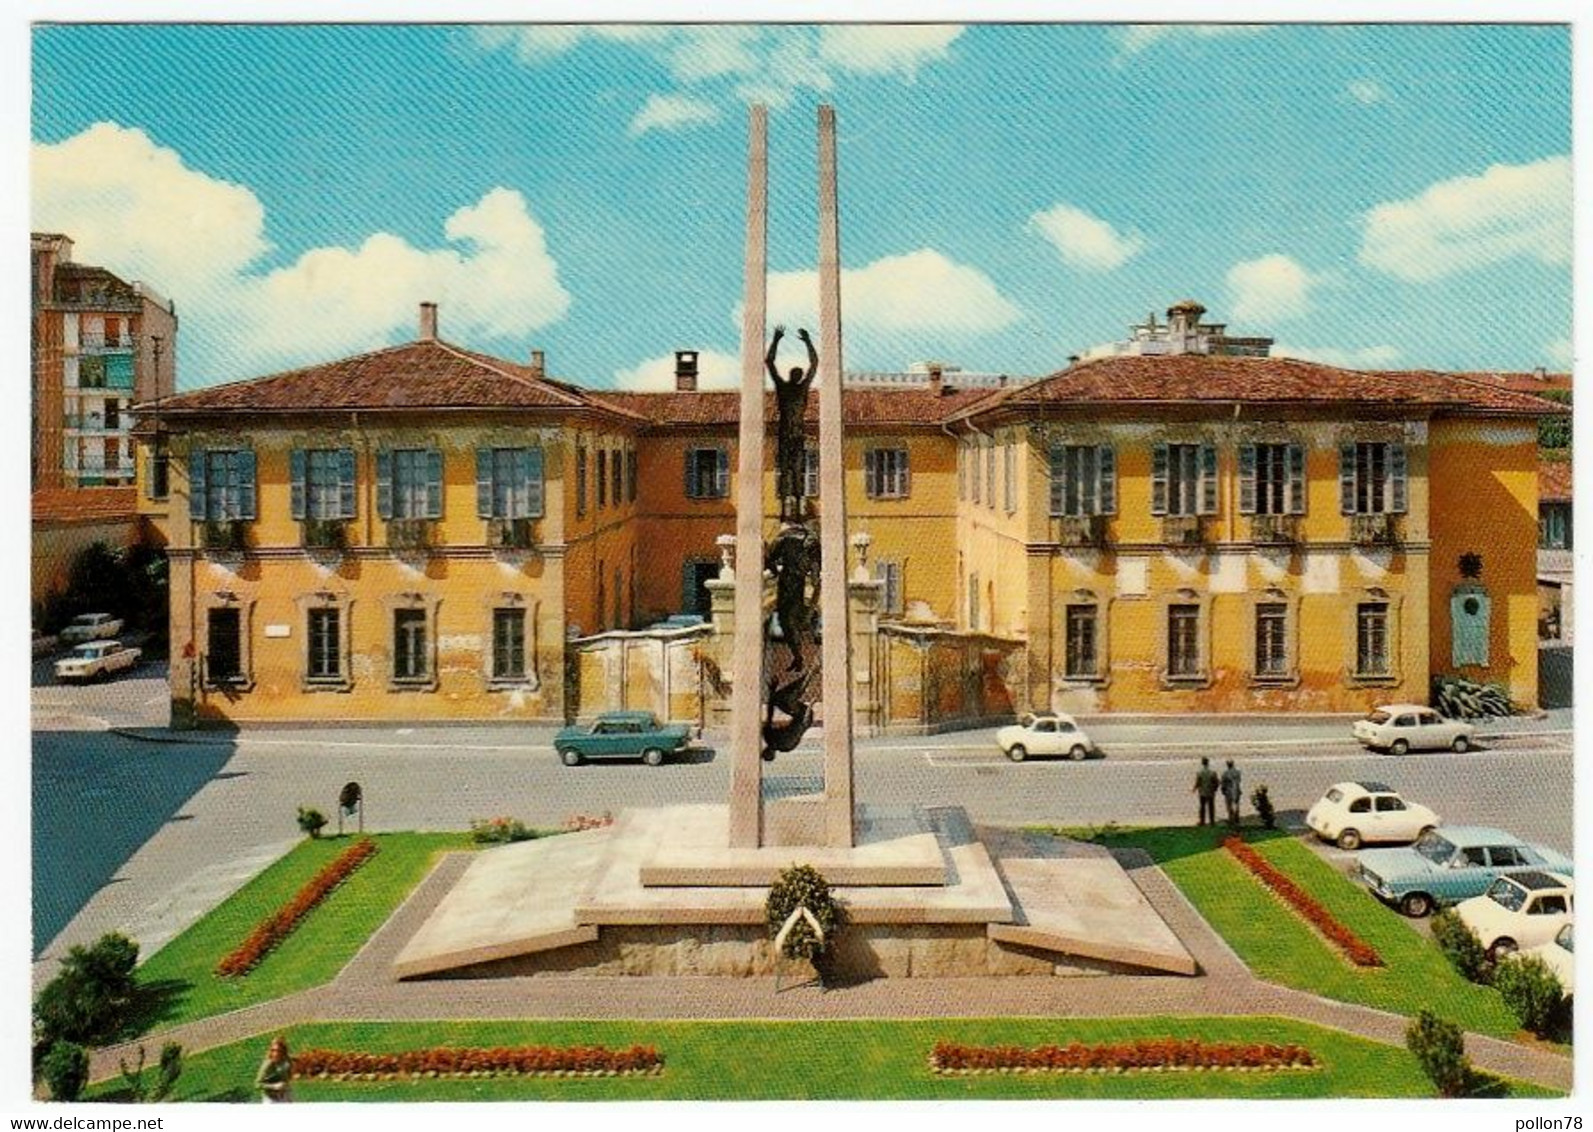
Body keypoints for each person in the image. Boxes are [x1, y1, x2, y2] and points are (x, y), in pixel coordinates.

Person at [256, 1035, 294, 1103]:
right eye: (273, 1050)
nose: (276, 1053)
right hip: (271, 1098)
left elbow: (289, 1075)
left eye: (279, 1051)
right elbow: (257, 1084)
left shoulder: (287, 1061)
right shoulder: (267, 1065)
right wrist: (274, 1086)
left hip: (284, 1095)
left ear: (283, 1052)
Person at [1193, 757, 1219, 827]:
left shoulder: (1200, 772)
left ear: (1202, 763)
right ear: (1208, 763)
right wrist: (1215, 789)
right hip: (1210, 792)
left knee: (1202, 807)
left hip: (1202, 792)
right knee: (1211, 807)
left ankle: (1202, 821)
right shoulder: (1212, 772)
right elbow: (1216, 782)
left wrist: (1194, 789)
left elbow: (1198, 782)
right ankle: (1212, 821)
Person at [1220, 758, 1243, 827]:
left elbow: (1223, 783)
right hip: (1237, 789)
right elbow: (1239, 781)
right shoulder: (1238, 772)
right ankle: (1237, 818)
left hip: (1229, 791)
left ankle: (1231, 819)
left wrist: (1223, 790)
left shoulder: (1225, 773)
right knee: (1236, 805)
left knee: (1229, 806)